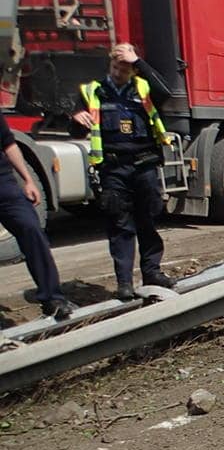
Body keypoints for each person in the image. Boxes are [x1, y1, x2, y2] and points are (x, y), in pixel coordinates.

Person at [71, 42, 176, 300]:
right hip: (113, 168)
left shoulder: (143, 87)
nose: (119, 72)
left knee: (148, 221)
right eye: (116, 66)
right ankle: (125, 282)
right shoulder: (94, 91)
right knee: (120, 226)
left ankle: (152, 272)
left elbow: (166, 92)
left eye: (125, 67)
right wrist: (74, 119)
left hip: (144, 165)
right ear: (110, 64)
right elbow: (76, 130)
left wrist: (138, 61)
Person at [0, 113, 75, 318]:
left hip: (4, 185)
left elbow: (9, 145)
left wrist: (28, 180)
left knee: (31, 229)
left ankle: (53, 299)